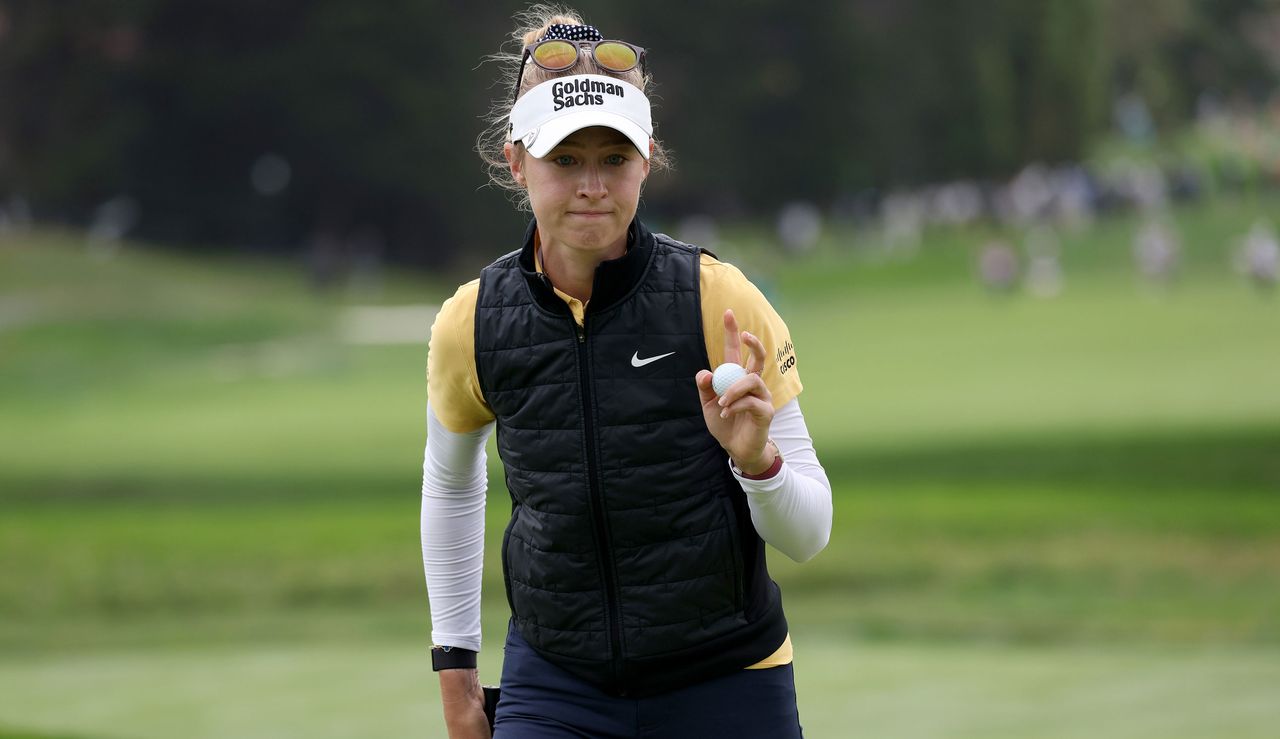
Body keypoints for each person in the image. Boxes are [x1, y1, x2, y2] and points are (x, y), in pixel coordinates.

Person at [421, 8, 833, 737]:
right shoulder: (473, 319)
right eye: (565, 160)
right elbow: (452, 485)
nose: (592, 187)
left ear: (648, 155)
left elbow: (809, 535)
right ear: (517, 161)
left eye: (614, 159)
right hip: (557, 685)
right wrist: (456, 678)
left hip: (727, 679)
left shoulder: (719, 299)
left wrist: (756, 462)